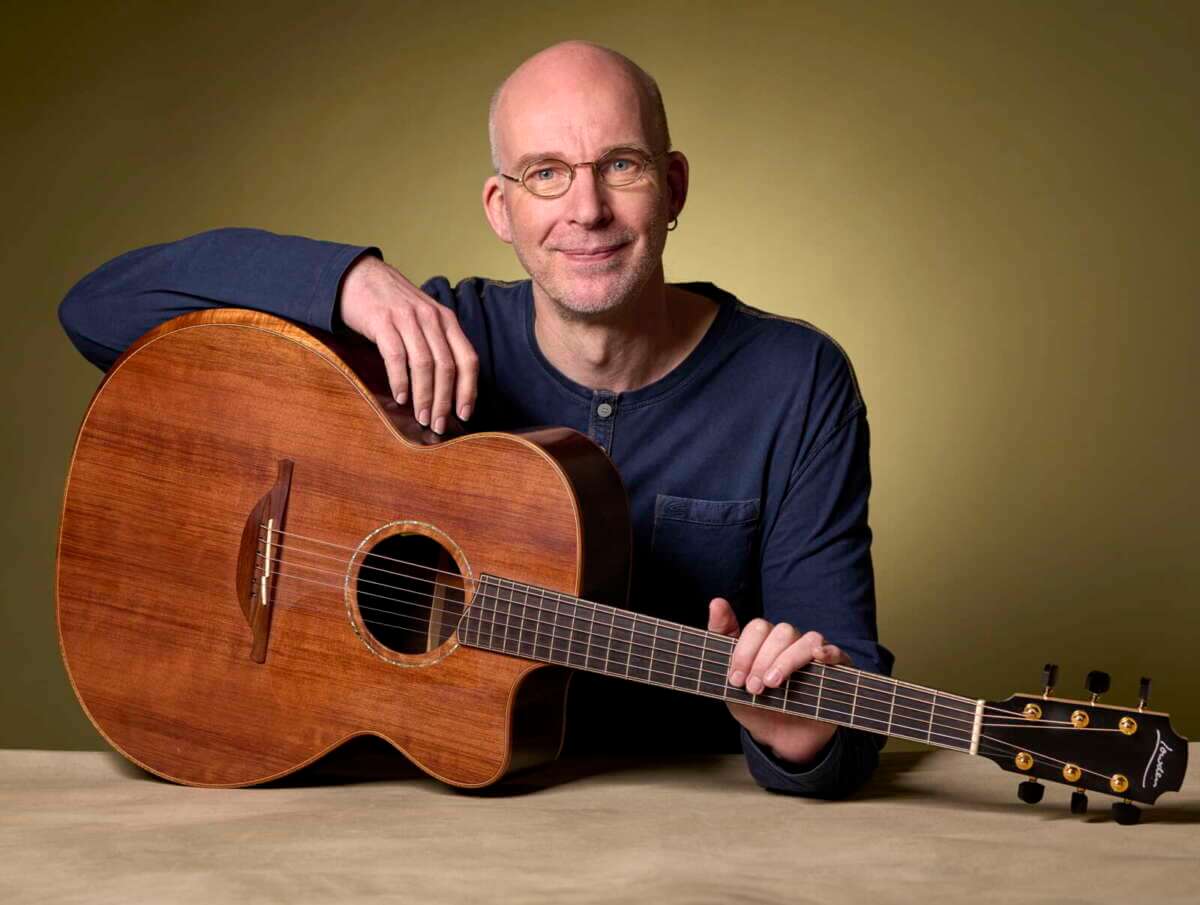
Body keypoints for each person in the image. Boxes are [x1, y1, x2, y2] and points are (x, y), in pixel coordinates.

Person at [59, 41, 893, 797]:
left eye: (621, 165)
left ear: (672, 186)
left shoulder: (797, 382)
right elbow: (96, 308)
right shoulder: (415, 342)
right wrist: (347, 282)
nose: (587, 209)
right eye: (546, 174)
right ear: (500, 207)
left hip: (679, 832)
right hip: (407, 827)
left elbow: (845, 706)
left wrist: (806, 744)